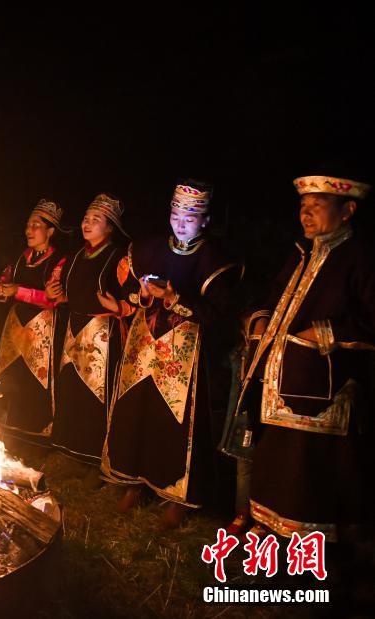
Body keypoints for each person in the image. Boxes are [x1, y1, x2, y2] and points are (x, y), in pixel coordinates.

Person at [234, 172, 374, 542]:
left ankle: (319, 548)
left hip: (325, 388)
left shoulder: (360, 258)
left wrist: (324, 334)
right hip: (281, 383)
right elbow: (272, 295)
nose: (306, 214)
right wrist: (261, 319)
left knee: (312, 474)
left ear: (348, 211)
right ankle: (271, 532)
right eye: (303, 206)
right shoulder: (302, 253)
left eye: (318, 205)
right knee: (278, 463)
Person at [102, 181, 241, 528]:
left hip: (184, 354)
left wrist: (175, 297)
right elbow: (133, 292)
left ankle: (180, 497)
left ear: (205, 221)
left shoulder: (214, 261)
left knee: (176, 424)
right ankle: (135, 481)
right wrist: (144, 295)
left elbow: (219, 312)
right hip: (145, 344)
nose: (181, 222)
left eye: (190, 216)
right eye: (176, 213)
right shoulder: (148, 249)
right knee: (138, 411)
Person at [46, 194, 133, 482]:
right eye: (86, 218)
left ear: (110, 228)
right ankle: (71, 452)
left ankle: (97, 458)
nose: (87, 223)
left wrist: (119, 307)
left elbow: (134, 296)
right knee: (72, 391)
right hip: (74, 330)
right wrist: (58, 296)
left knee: (97, 398)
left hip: (102, 336)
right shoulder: (73, 257)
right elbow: (68, 293)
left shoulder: (120, 257)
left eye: (96, 220)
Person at [0, 199, 67, 451]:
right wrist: (0, 289)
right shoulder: (22, 257)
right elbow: (5, 278)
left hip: (41, 329)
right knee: (11, 377)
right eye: (28, 225)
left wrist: (18, 291)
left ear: (50, 231)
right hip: (16, 326)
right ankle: (7, 434)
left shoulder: (60, 262)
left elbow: (52, 299)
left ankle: (36, 439)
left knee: (35, 382)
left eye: (36, 225)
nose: (29, 230)